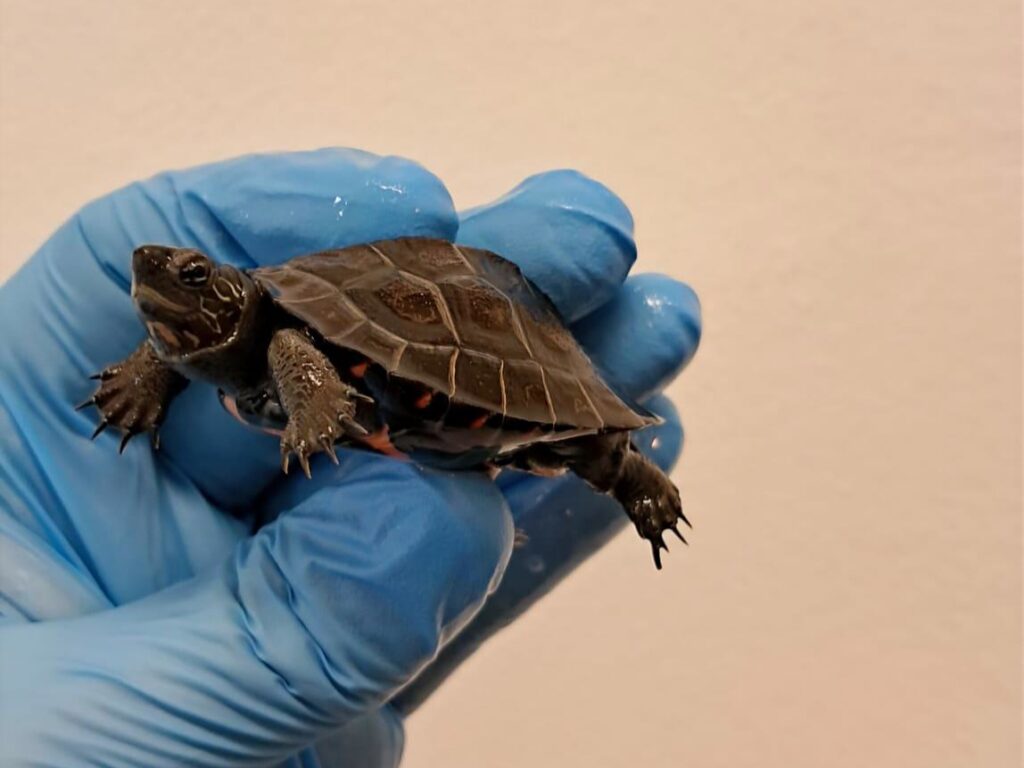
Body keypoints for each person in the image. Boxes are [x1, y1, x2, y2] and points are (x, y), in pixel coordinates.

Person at [0, 149, 701, 767]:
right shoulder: (204, 343)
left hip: (453, 369)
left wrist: (313, 407)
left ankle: (635, 476)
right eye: (155, 291)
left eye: (191, 277)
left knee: (574, 439)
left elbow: (289, 344)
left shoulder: (280, 337)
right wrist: (145, 378)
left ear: (231, 293)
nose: (158, 275)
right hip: (396, 419)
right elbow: (174, 348)